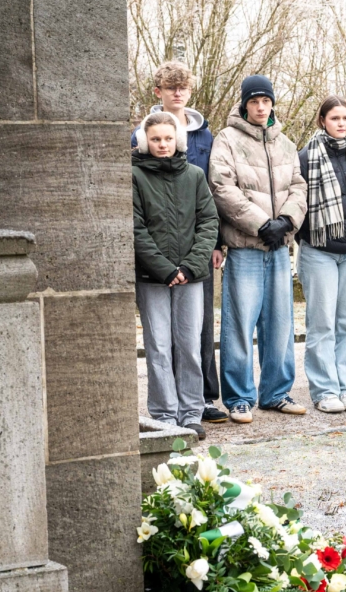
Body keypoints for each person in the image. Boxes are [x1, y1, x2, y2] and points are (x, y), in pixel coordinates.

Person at [130, 60, 227, 426]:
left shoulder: (195, 176)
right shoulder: (135, 177)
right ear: (145, 141)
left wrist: (188, 267)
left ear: (178, 140)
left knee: (189, 344)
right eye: (155, 139)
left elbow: (208, 221)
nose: (162, 144)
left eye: (168, 139)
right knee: (158, 346)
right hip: (153, 277)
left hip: (191, 276)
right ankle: (164, 415)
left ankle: (190, 412)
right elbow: (136, 229)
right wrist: (165, 269)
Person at [208, 74, 308, 424]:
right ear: (245, 104)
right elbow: (221, 186)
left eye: (266, 101)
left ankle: (276, 393)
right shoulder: (227, 139)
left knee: (280, 324)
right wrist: (261, 223)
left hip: (278, 247)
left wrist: (286, 221)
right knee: (239, 326)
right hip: (246, 247)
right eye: (254, 101)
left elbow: (299, 186)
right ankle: (239, 398)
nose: (261, 107)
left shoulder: (286, 143)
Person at [296, 96, 346, 414]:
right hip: (320, 252)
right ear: (322, 121)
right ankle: (325, 390)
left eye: (344, 118)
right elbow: (297, 203)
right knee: (322, 324)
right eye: (334, 118)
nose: (341, 123)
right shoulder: (306, 157)